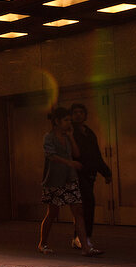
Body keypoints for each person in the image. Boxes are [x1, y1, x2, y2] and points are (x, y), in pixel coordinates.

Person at [38, 107, 102, 257]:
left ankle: (85, 246)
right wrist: (70, 163)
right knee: (52, 212)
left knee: (78, 210)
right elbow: (51, 156)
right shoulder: (49, 137)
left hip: (70, 179)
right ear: (57, 121)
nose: (69, 123)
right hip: (54, 180)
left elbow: (76, 153)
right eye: (66, 120)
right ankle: (43, 243)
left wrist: (72, 137)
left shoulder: (67, 137)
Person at [70, 103, 112, 249]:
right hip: (76, 174)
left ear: (85, 115)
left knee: (85, 206)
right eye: (75, 112)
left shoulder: (89, 132)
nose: (78, 115)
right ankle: (83, 237)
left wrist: (105, 172)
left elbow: (96, 155)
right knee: (86, 204)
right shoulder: (71, 133)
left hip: (89, 174)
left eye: (81, 112)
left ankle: (79, 237)